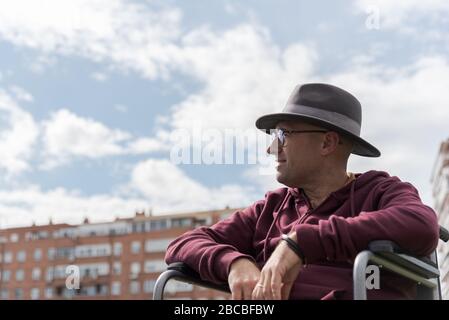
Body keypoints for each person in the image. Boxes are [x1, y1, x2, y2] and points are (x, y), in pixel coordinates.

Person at [165, 83, 439, 300]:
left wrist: (300, 243)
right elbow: (181, 245)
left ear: (327, 143)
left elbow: (422, 224)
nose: (272, 148)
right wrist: (234, 263)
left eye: (283, 135)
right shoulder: (270, 209)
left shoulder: (380, 191)